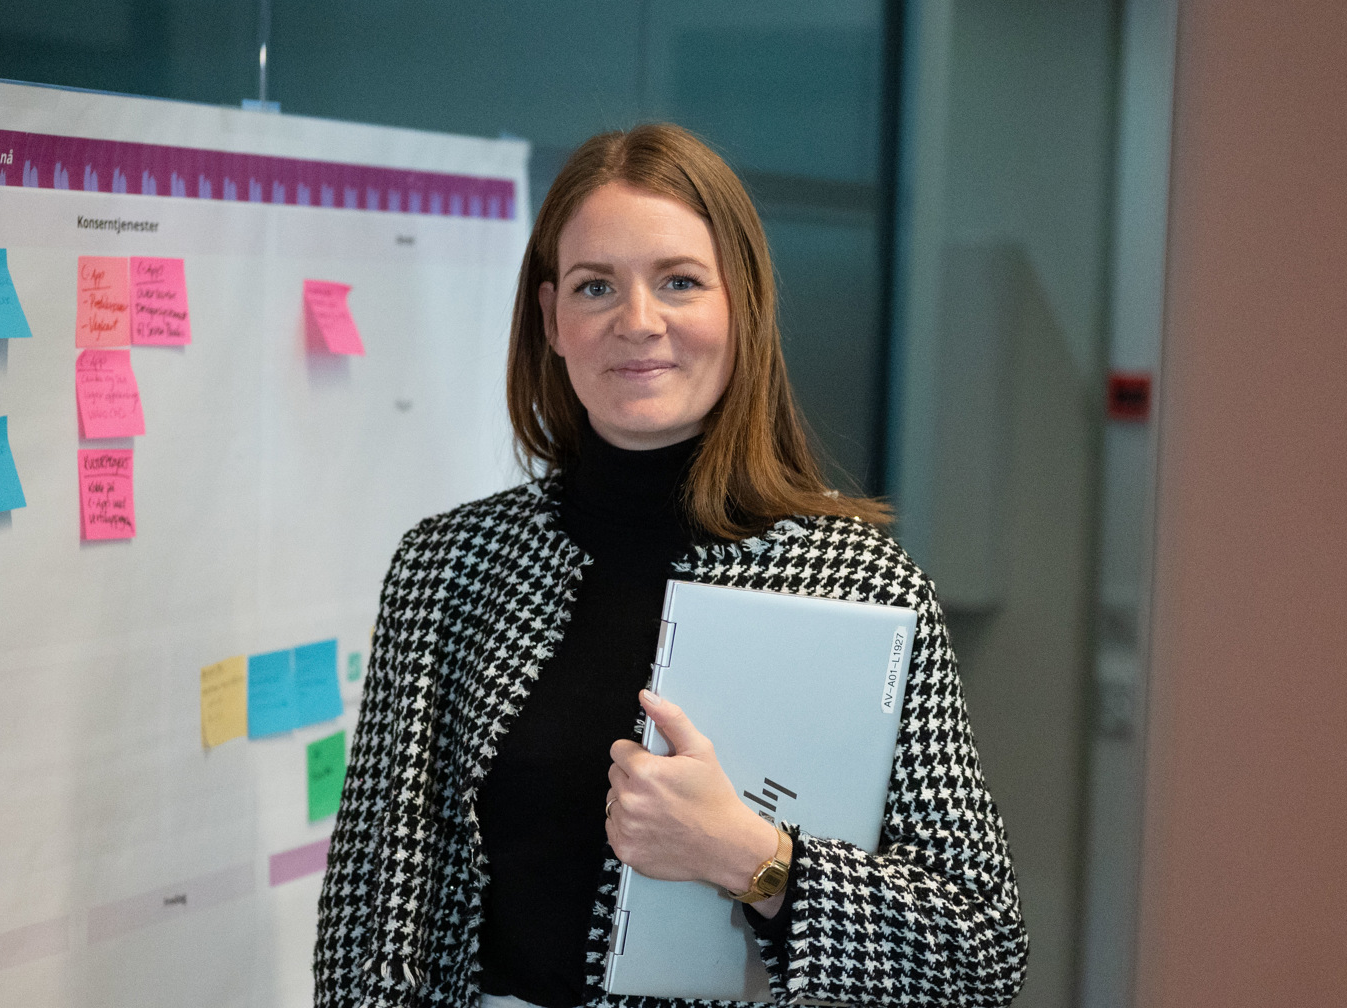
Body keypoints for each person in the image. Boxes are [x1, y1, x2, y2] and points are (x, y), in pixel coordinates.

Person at [313, 123, 1027, 1008]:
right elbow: (368, 922)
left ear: (742, 307)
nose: (637, 321)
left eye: (680, 282)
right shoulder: (445, 570)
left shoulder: (861, 584)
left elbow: (978, 954)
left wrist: (751, 856)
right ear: (552, 320)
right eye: (595, 286)